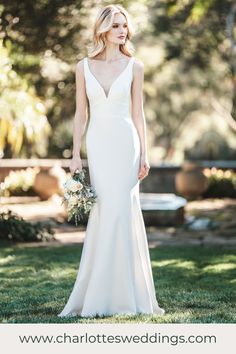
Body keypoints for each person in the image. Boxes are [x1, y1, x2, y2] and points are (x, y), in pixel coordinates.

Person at [58, 4, 165, 318]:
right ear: (102, 28)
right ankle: (98, 293)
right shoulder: (83, 66)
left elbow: (138, 113)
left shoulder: (135, 67)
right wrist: (75, 154)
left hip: (125, 144)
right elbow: (81, 114)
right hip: (99, 145)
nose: (122, 31)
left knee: (121, 209)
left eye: (124, 26)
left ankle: (127, 295)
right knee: (104, 211)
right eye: (116, 26)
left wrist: (144, 152)